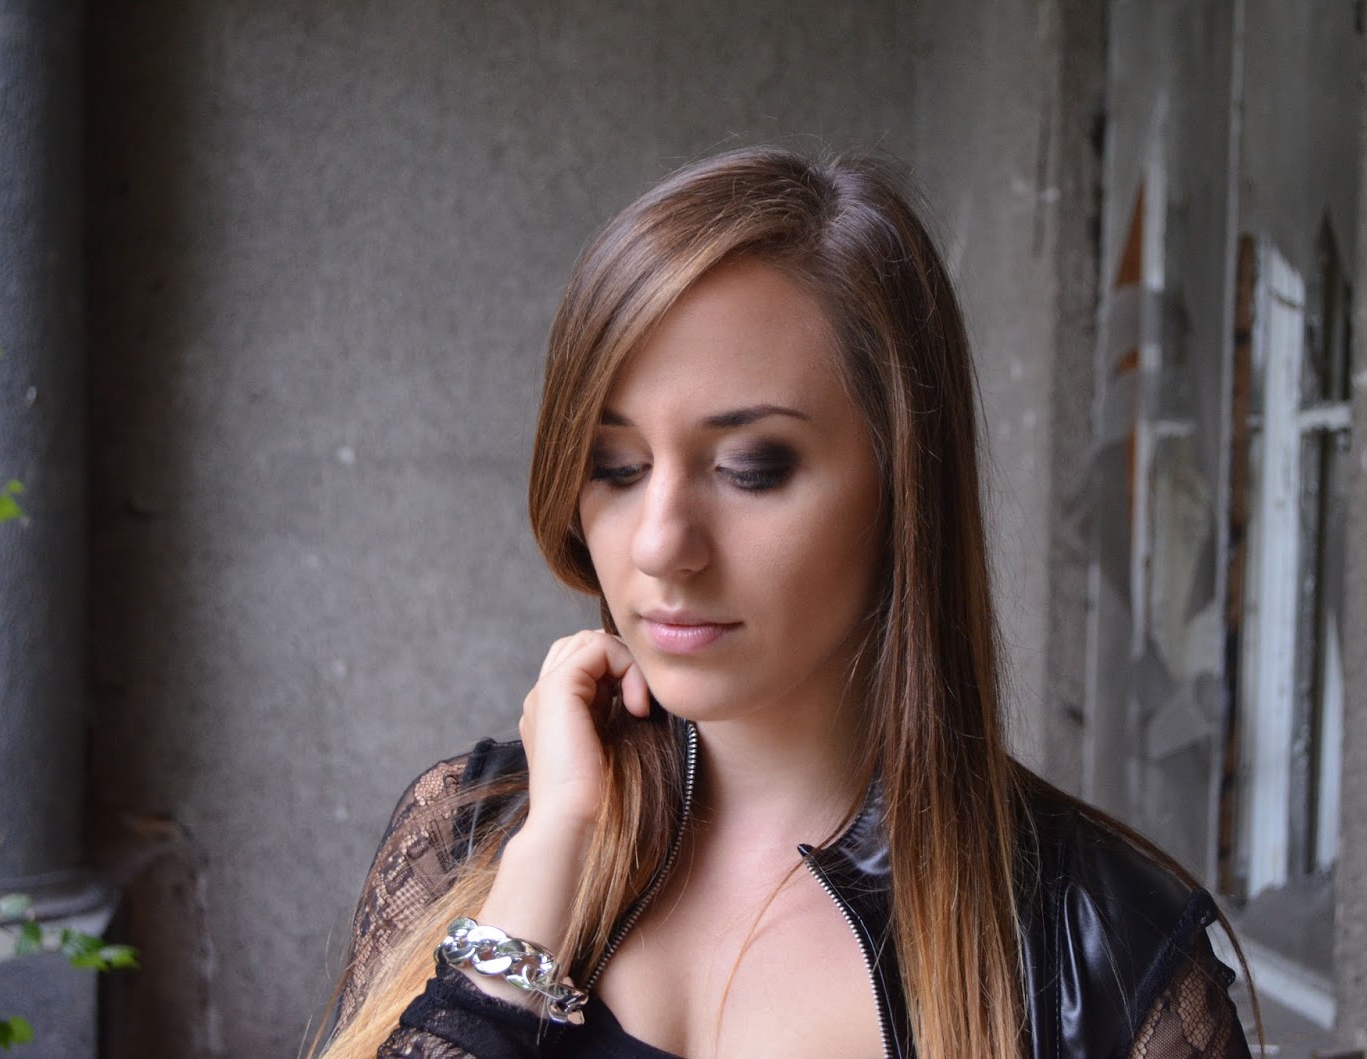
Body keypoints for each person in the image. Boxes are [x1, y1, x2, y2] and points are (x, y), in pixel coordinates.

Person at [313, 146, 1255, 1059]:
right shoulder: (468, 835)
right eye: (616, 466)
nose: (659, 544)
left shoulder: (1103, 961)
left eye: (751, 466)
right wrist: (530, 899)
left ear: (902, 485)